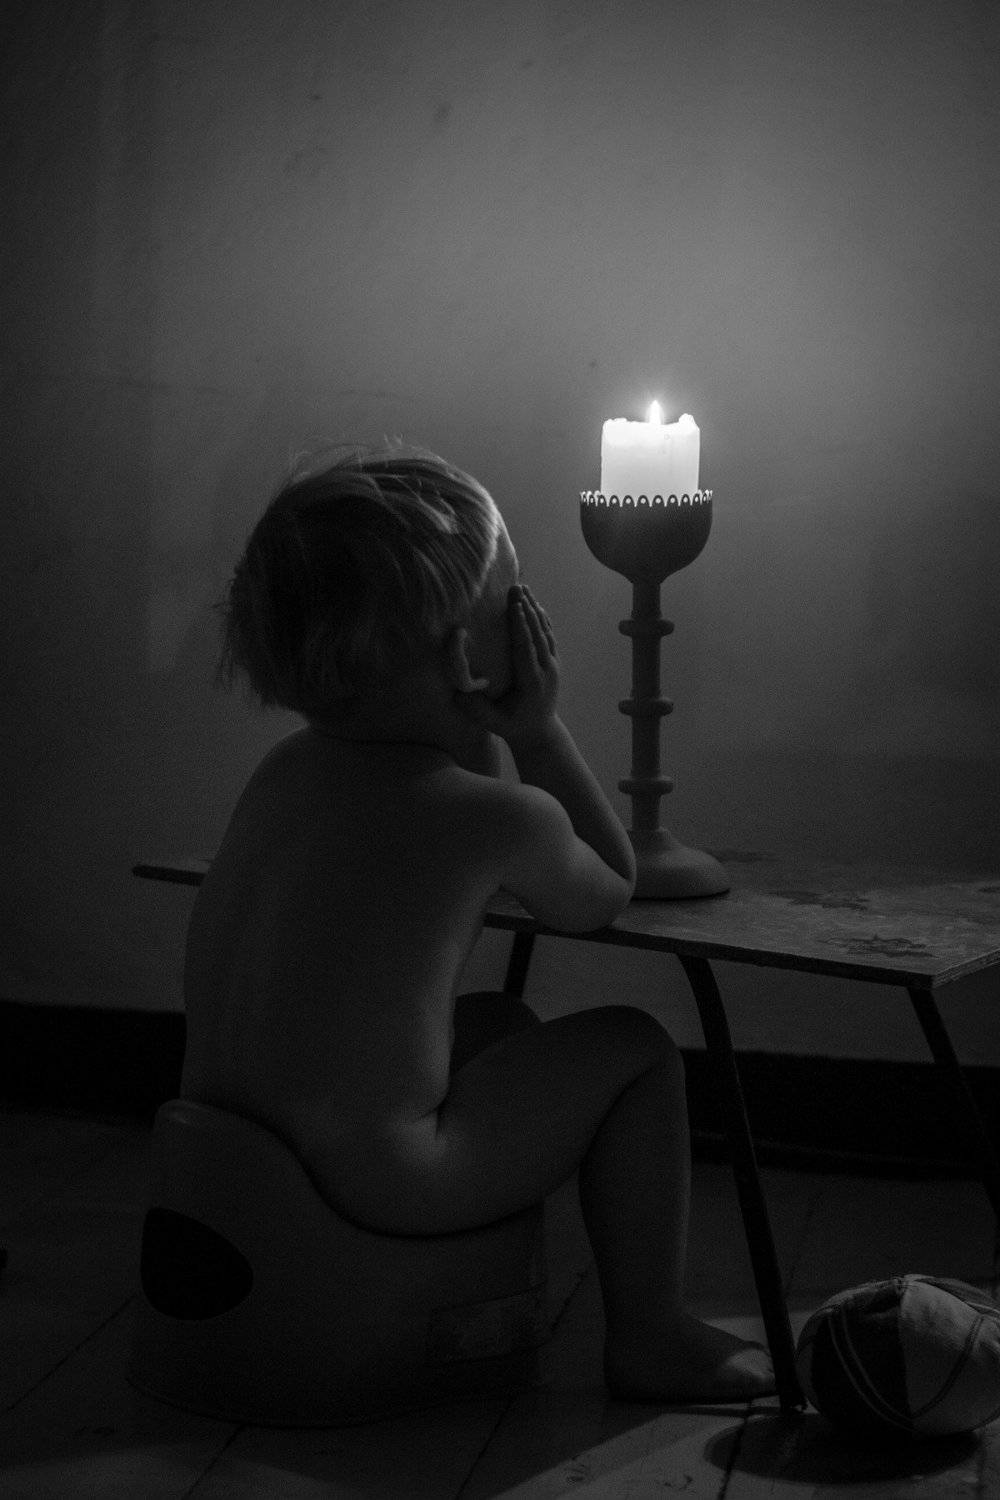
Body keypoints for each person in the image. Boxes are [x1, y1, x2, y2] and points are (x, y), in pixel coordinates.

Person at [181, 443, 774, 1403]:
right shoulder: (493, 816)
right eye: (515, 601)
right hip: (379, 1176)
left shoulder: (282, 771)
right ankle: (650, 1335)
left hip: (228, 1155)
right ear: (465, 651)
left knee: (499, 1025)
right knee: (636, 1052)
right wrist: (536, 731)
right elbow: (605, 889)